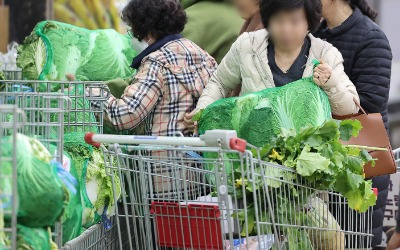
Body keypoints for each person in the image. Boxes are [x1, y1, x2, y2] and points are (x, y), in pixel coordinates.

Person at [184, 0, 360, 130]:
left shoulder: (326, 54)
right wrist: (202, 112)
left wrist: (331, 83)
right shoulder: (247, 45)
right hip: (253, 158)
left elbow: (350, 108)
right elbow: (220, 83)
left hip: (308, 162)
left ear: (309, 23)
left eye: (294, 21)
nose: (286, 29)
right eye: (278, 21)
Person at [314, 1, 392, 248]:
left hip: (360, 163)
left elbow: (370, 102)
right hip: (325, 158)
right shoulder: (313, 34)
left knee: (355, 240)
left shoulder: (372, 38)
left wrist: (327, 88)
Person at [84, 0, 217, 137]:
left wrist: (88, 93)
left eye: (132, 32)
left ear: (146, 32)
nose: (132, 39)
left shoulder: (156, 62)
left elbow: (124, 115)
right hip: (198, 154)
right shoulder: (204, 56)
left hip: (163, 155)